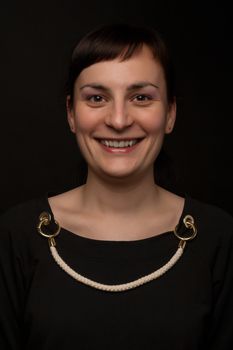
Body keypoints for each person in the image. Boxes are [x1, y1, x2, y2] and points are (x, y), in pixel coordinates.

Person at [0, 23, 233, 350]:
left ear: (170, 113)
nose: (119, 120)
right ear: (71, 113)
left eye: (141, 97)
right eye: (97, 97)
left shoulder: (218, 237)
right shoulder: (18, 234)